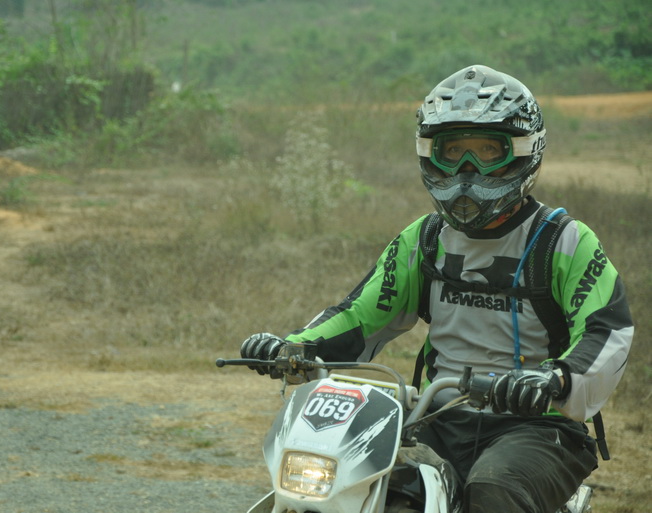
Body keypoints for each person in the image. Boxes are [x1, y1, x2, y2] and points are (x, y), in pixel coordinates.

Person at [239, 65, 634, 513]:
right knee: (362, 483)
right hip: (438, 416)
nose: (467, 168)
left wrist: (555, 379)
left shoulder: (563, 241)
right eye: (454, 151)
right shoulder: (426, 238)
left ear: (524, 151)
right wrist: (291, 347)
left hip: (538, 425)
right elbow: (361, 315)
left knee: (493, 491)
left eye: (487, 150)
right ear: (431, 154)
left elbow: (607, 331)